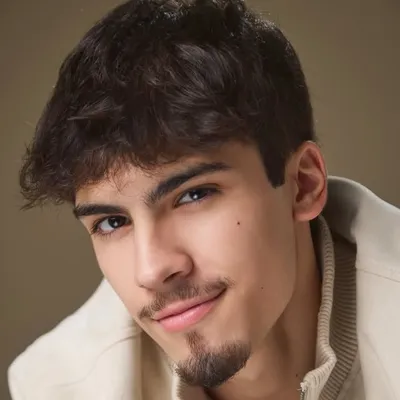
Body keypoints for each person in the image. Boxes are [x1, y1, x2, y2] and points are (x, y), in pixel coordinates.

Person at [8, 0, 400, 399]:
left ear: (303, 184)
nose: (152, 270)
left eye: (193, 195)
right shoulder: (57, 387)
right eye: (112, 222)